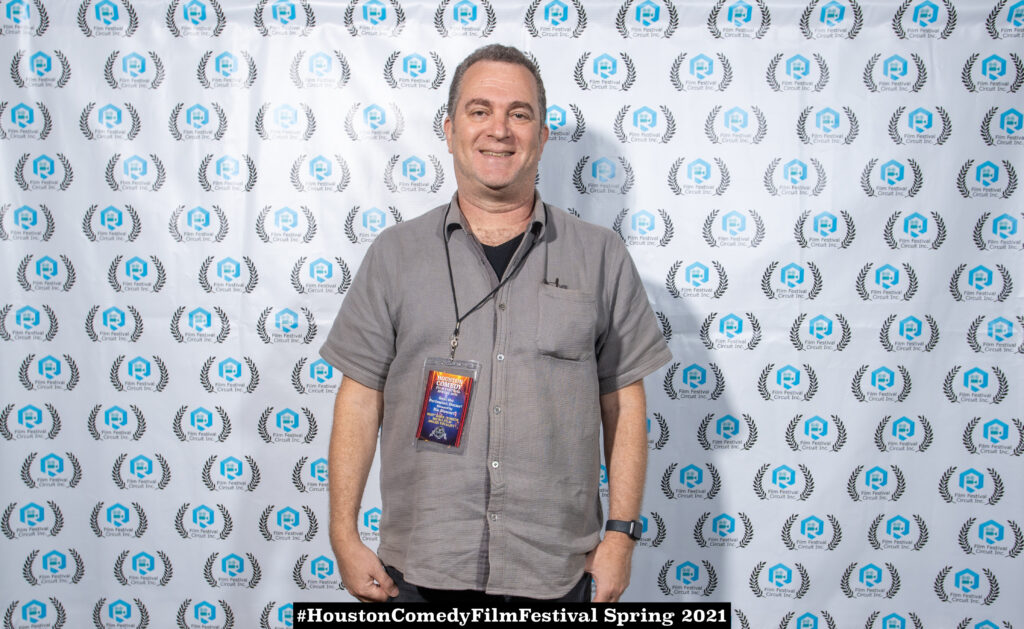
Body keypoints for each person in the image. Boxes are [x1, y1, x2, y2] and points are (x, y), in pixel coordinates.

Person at [319, 44, 672, 604]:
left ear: (543, 136)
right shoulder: (394, 254)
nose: (499, 130)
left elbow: (624, 404)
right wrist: (343, 534)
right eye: (479, 110)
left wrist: (621, 536)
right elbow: (360, 398)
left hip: (557, 570)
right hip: (418, 568)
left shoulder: (601, 256)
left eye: (519, 113)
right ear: (450, 129)